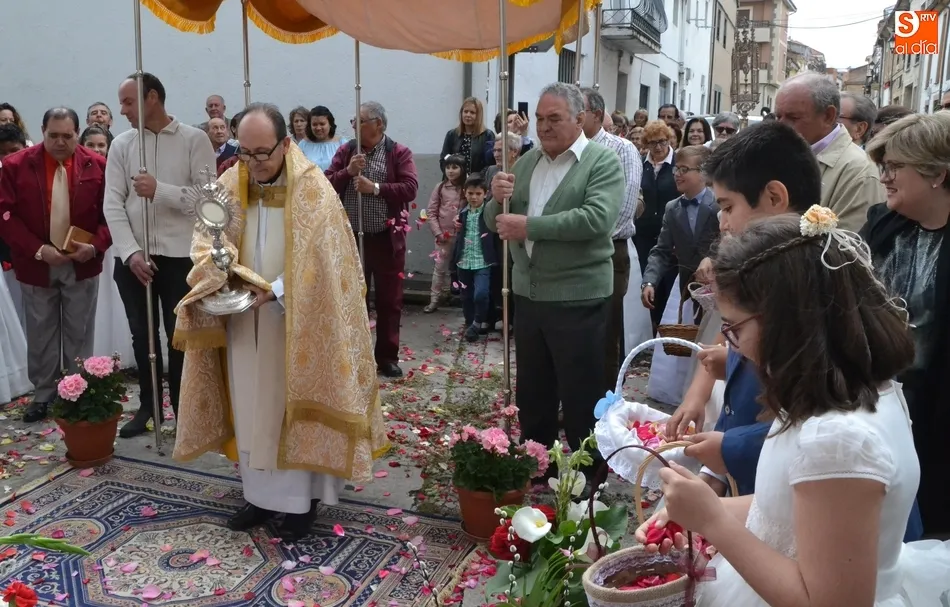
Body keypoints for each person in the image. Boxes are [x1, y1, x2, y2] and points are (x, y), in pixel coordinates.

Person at [637, 212, 950, 606]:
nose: (732, 346)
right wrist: (705, 507)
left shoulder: (838, 438)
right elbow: (790, 509)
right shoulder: (850, 390)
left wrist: (712, 521)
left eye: (734, 328)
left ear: (786, 323)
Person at [172, 103, 388, 542]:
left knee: (286, 407)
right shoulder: (231, 182)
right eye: (245, 152)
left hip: (295, 321)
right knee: (250, 405)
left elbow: (327, 262)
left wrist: (277, 290)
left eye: (262, 153)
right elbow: (206, 239)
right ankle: (259, 496)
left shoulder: (314, 190)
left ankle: (301, 503)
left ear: (285, 144)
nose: (252, 163)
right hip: (241, 319)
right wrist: (219, 272)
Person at [666, 121, 824, 497]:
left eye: (727, 207)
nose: (722, 223)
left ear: (774, 197)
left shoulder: (808, 291)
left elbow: (814, 427)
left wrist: (729, 451)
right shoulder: (766, 270)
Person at [487, 82, 624, 472]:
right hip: (530, 296)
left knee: (582, 395)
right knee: (534, 394)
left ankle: (586, 478)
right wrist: (495, 198)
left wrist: (529, 226)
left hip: (578, 298)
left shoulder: (601, 162)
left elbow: (596, 219)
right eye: (540, 119)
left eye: (554, 119)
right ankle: (538, 466)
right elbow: (496, 223)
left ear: (579, 119)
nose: (544, 127)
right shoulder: (526, 162)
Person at [104, 72, 216, 437]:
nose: (122, 110)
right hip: (134, 258)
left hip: (180, 257)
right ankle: (149, 407)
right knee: (142, 337)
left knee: (178, 337)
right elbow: (112, 204)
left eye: (128, 102)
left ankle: (185, 411)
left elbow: (209, 201)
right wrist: (130, 252)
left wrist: (160, 190)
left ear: (152, 97)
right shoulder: (122, 145)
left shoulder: (194, 139)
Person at [864, 112, 950, 537]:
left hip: (935, 411)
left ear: (937, 174)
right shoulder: (883, 223)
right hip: (875, 400)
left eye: (896, 166)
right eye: (884, 166)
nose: (885, 177)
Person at [0, 108, 110, 422]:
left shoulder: (98, 165)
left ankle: (77, 390)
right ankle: (44, 394)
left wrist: (95, 245)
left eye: (67, 136)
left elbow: (112, 213)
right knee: (41, 332)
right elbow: (6, 216)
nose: (60, 142)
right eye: (53, 136)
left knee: (80, 331)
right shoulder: (16, 165)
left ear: (78, 133)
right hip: (37, 263)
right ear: (42, 131)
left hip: (81, 263)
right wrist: (38, 250)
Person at [325, 101, 419, 379]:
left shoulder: (398, 152)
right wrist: (347, 172)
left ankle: (387, 358)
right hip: (352, 239)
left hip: (386, 240)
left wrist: (375, 188)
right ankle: (357, 356)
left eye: (360, 120)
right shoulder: (346, 151)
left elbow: (410, 188)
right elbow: (326, 184)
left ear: (378, 124)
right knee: (355, 300)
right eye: (353, 121)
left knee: (390, 301)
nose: (354, 126)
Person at [579, 87, 647, 389]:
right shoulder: (566, 149)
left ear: (595, 114)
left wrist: (582, 234)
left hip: (607, 249)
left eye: (577, 111)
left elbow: (624, 207)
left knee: (605, 332)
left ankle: (603, 401)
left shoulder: (621, 149)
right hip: (569, 252)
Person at [775, 72, 882, 230]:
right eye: (778, 117)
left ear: (828, 116)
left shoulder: (860, 172)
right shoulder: (778, 155)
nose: (780, 126)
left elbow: (850, 241)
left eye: (794, 117)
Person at [641, 145, 718, 318]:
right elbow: (661, 251)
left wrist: (712, 259)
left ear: (704, 173)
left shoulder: (718, 205)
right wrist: (649, 281)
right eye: (676, 168)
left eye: (684, 169)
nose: (677, 174)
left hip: (718, 289)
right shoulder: (672, 208)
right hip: (686, 289)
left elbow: (729, 241)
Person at [636, 120, 679, 327]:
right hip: (643, 234)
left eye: (662, 141)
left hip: (670, 235)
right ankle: (648, 328)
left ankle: (666, 329)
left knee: (667, 284)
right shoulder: (640, 164)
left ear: (669, 140)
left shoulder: (677, 164)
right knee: (646, 280)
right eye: (653, 143)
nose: (658, 147)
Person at [0, 123, 31, 404]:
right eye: (3, 153)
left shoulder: (32, 173)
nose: (8, 157)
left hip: (34, 255)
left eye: (14, 150)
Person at [452, 174, 497, 342]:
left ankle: (478, 322)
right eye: (470, 193)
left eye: (478, 194)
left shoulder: (489, 212)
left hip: (482, 261)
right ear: (465, 193)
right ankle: (470, 323)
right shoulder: (462, 213)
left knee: (481, 293)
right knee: (466, 296)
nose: (474, 197)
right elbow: (459, 238)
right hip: (464, 260)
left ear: (485, 194)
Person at [424, 154, 466, 314]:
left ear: (462, 169)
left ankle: (465, 304)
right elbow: (431, 212)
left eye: (455, 167)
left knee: (464, 270)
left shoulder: (467, 187)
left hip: (464, 237)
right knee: (440, 269)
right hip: (444, 237)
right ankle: (434, 301)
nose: (450, 171)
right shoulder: (440, 187)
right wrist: (438, 233)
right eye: (448, 167)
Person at [440, 98, 494, 177]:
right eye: (465, 111)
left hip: (477, 181)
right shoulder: (451, 134)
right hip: (454, 181)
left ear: (478, 115)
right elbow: (443, 160)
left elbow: (490, 163)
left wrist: (475, 178)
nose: (468, 115)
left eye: (472, 112)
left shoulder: (487, 135)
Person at [297, 106, 348, 171]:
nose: (318, 128)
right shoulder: (303, 145)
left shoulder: (341, 143)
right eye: (314, 124)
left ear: (330, 124)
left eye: (322, 124)